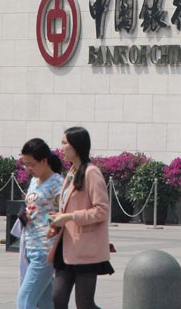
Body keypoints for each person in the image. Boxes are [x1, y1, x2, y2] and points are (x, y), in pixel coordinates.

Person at [49, 126, 114, 309]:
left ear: (76, 147)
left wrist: (70, 217)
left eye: (64, 143)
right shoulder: (71, 172)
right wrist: (57, 220)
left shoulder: (91, 172)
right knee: (57, 299)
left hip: (85, 249)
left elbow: (101, 210)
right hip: (66, 246)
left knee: (84, 304)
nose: (61, 148)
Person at [16, 138, 64, 309]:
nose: (29, 168)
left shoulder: (57, 182)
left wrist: (51, 221)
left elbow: (64, 213)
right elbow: (36, 209)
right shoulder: (34, 181)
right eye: (25, 164)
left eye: (32, 164)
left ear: (44, 161)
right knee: (45, 302)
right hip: (30, 245)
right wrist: (24, 215)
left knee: (25, 299)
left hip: (45, 249)